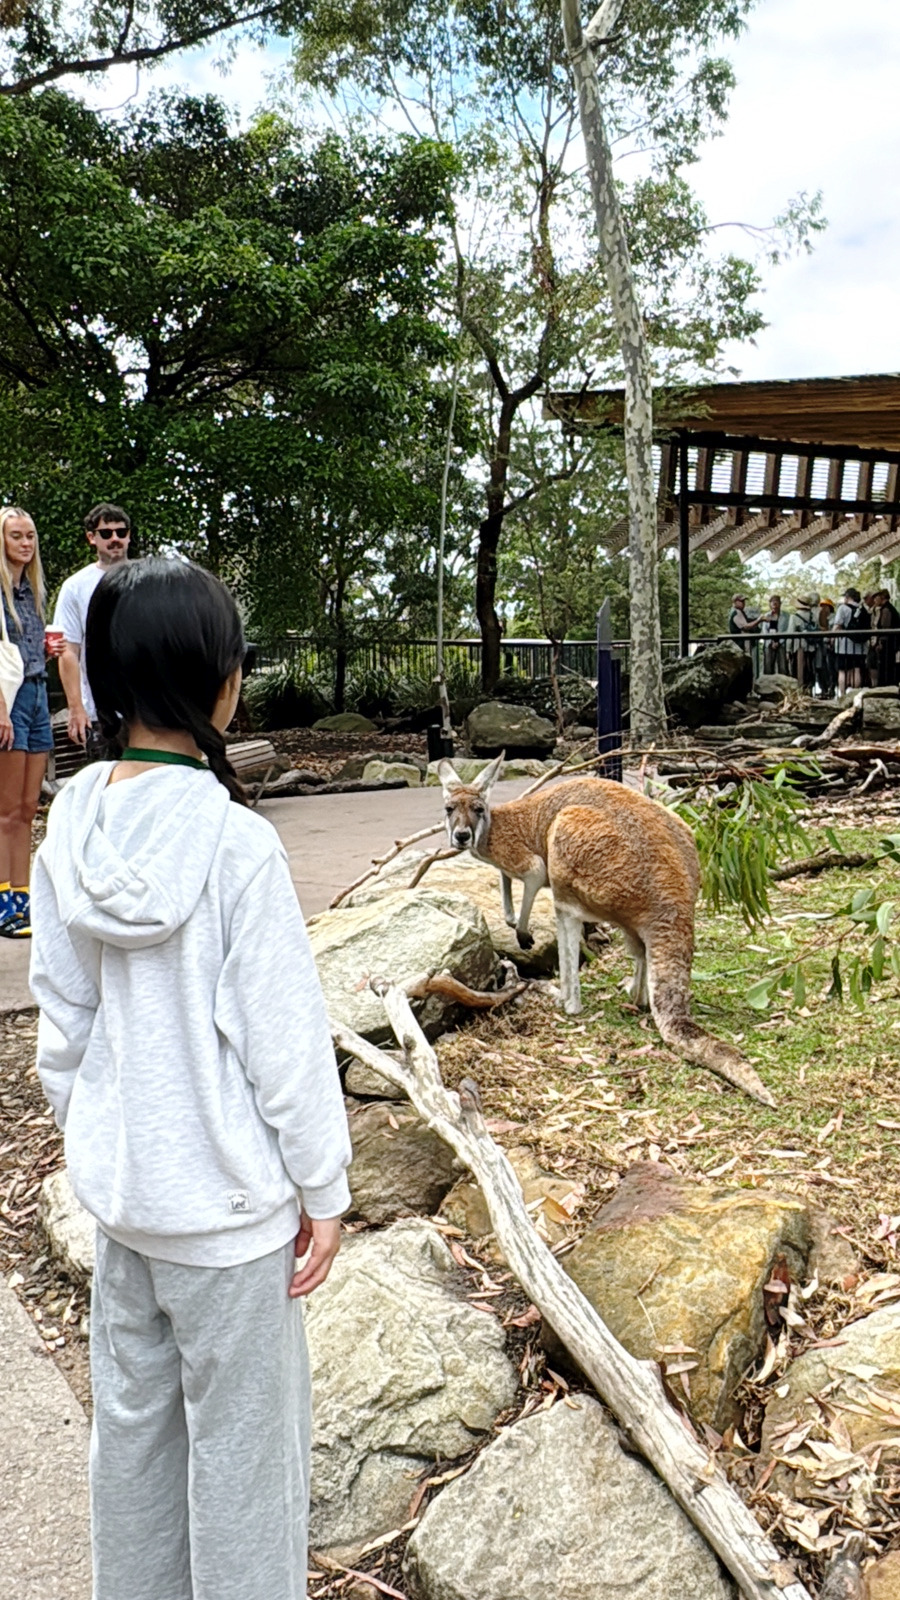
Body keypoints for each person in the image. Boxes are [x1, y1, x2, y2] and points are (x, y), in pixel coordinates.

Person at [29, 556, 352, 1600]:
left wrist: (105, 1141)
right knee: (246, 1467)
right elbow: (283, 1045)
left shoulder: (69, 828)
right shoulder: (236, 845)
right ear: (223, 682)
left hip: (128, 1212)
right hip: (229, 1225)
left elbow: (63, 1029)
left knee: (132, 1449)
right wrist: (323, 1187)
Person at [0, 507, 53, 938]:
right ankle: (3, 902)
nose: (25, 543)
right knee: (5, 809)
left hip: (37, 693)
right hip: (10, 699)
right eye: (16, 536)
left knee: (28, 808)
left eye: (30, 536)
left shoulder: (31, 592)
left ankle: (22, 894)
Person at [52, 502, 131, 748]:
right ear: (91, 538)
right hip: (99, 711)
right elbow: (68, 650)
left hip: (149, 710)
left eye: (121, 532)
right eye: (106, 533)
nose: (115, 539)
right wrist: (76, 707)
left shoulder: (150, 580)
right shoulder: (75, 587)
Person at [832, 586, 870, 695]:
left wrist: (831, 638)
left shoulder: (843, 608)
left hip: (844, 645)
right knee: (857, 669)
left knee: (842, 671)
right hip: (860, 646)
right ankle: (854, 694)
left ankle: (843, 695)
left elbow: (838, 625)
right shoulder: (863, 610)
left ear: (848, 597)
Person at [788, 594, 818, 692]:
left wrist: (788, 649)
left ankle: (799, 691)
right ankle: (809, 689)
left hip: (798, 646)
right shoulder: (812, 616)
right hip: (811, 646)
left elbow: (790, 633)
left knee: (798, 669)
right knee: (809, 668)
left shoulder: (794, 617)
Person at [870, 589, 900, 686]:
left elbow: (885, 627)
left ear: (882, 597)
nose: (875, 600)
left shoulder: (886, 610)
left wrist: (881, 642)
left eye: (876, 598)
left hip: (888, 645)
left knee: (886, 667)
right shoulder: (887, 609)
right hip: (890, 643)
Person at [760, 594, 790, 675]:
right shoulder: (766, 615)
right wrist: (771, 642)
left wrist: (779, 642)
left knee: (783, 668)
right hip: (769, 643)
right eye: (772, 602)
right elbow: (764, 631)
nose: (774, 604)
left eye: (776, 602)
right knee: (768, 668)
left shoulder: (786, 616)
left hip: (782, 643)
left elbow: (787, 630)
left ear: (780, 604)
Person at [815, 599, 837, 698]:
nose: (823, 608)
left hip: (830, 647)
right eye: (822, 606)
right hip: (821, 645)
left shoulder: (834, 618)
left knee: (831, 668)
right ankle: (823, 689)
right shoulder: (818, 617)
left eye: (825, 606)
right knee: (821, 668)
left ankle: (831, 688)